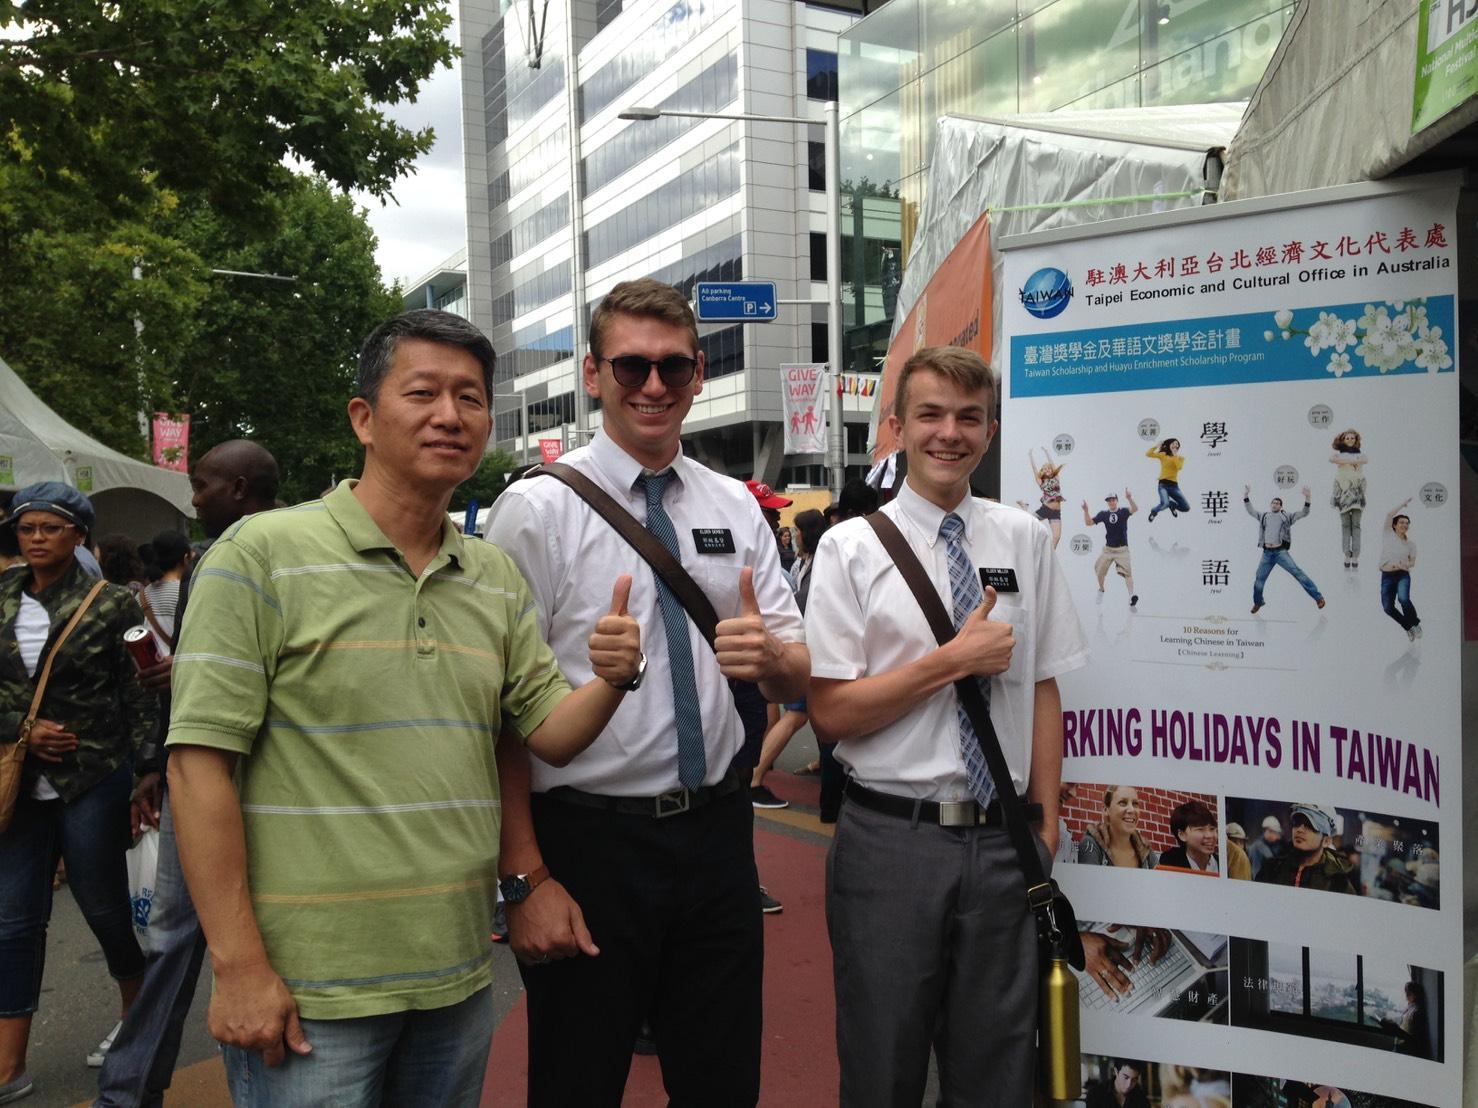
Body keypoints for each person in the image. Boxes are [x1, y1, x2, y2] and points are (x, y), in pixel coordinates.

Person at [165, 310, 642, 1106]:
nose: (449, 416)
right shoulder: (259, 556)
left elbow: (550, 734)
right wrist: (239, 964)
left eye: (470, 398)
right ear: (364, 417)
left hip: (455, 977)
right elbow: (197, 766)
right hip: (311, 990)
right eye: (422, 392)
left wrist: (612, 679)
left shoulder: (491, 575)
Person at [485, 279, 807, 1105]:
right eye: (631, 366)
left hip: (716, 836)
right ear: (593, 375)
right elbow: (499, 717)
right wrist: (523, 877)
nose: (654, 386)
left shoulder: (734, 502)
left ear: (700, 373)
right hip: (590, 841)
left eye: (672, 367)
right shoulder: (536, 509)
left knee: (721, 1078)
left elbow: (802, 667)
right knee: (577, 1079)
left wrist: (770, 655)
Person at [805, 345, 1087, 1106]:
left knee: (999, 1068)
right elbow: (831, 713)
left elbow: (1044, 684)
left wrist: (1047, 823)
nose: (949, 433)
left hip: (1004, 842)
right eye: (930, 414)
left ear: (990, 431)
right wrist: (951, 661)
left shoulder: (1024, 536)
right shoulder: (850, 548)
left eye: (969, 417)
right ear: (898, 426)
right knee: (882, 1060)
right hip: (892, 842)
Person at [95, 440, 281, 1108]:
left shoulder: (277, 552)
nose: (193, 497)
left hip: (260, 776)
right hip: (201, 765)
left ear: (236, 487)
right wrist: (154, 761)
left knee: (185, 934)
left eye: (201, 484)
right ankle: (130, 1087)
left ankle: (132, 1090)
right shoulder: (211, 561)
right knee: (180, 934)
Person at [0, 483, 159, 1106]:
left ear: (79, 535)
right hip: (18, 780)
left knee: (103, 909)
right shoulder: (1, 597)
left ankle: (137, 1018)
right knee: (13, 920)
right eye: (27, 528)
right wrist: (22, 729)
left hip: (93, 777)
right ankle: (10, 1062)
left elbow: (141, 688)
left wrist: (150, 768)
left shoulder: (112, 603)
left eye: (51, 528)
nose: (37, 538)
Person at [1244, 485, 1324, 614]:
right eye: (1273, 503)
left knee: (1297, 572)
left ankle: (1318, 597)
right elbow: (1251, 511)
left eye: (1277, 503)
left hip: (1280, 552)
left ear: (1281, 506)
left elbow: (1304, 513)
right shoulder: (1264, 516)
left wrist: (1308, 498)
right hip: (1267, 554)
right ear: (1271, 505)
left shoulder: (1287, 516)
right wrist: (1246, 496)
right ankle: (1258, 602)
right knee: (1259, 578)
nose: (1275, 504)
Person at [1253, 803, 1357, 893]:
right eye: (1297, 823)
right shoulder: (1271, 869)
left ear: (1326, 841)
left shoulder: (1338, 883)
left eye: (1310, 825)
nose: (1300, 829)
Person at [1076, 784, 1158, 868]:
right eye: (1122, 803)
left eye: (1135, 804)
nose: (1132, 810)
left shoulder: (1146, 851)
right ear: (1106, 810)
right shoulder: (1091, 844)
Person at [139, 530, 193, 650]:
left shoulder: (141, 596)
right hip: (176, 665)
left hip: (151, 665)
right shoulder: (188, 593)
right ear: (185, 558)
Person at [1083, 490, 1138, 607]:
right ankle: (1101, 590)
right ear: (1107, 502)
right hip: (1108, 550)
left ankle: (1131, 596)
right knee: (1099, 571)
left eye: (1113, 499)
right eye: (1109, 500)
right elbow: (1088, 523)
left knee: (1128, 573)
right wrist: (1086, 511)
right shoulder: (1104, 514)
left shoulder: (1123, 512)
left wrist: (1129, 498)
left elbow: (1135, 509)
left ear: (1117, 500)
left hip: (1122, 549)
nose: (1112, 502)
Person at [1379, 498, 1421, 640]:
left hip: (1402, 574)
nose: (1405, 525)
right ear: (1395, 525)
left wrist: (1405, 565)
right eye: (1402, 522)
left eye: (1407, 523)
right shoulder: (1388, 534)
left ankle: (1415, 623)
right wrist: (1402, 505)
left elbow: (1412, 562)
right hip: (1387, 575)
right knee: (1388, 608)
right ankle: (1408, 627)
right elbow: (1389, 514)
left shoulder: (1411, 545)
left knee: (1403, 598)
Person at [1329, 429, 1367, 570]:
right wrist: (1351, 461)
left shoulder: (1360, 454)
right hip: (1343, 491)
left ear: (1356, 440)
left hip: (1357, 491)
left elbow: (1365, 460)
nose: (1350, 440)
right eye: (1347, 438)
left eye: (1352, 438)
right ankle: (1346, 554)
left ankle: (1355, 555)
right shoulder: (1339, 454)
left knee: (1356, 525)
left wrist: (1346, 461)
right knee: (1345, 525)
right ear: (1343, 440)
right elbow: (1332, 459)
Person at [1156, 799, 1219, 873]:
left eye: (1212, 829)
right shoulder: (1170, 861)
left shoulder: (1226, 864)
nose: (1209, 835)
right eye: (1200, 829)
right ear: (1182, 835)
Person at [1025, 446, 1065, 547]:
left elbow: (1053, 464)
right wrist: (1030, 456)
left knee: (1057, 537)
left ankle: (1049, 558)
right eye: (1045, 469)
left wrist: (1046, 452)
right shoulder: (1041, 481)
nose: (1048, 470)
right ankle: (1024, 507)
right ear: (1043, 471)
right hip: (1046, 509)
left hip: (1056, 512)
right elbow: (1034, 470)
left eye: (1049, 469)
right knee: (1029, 520)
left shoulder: (1056, 478)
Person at [1145, 438, 1189, 522]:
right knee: (1165, 503)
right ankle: (1154, 511)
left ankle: (1172, 505)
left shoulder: (1180, 458)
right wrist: (1156, 446)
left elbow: (1179, 467)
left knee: (1186, 507)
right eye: (1173, 443)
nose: (1175, 445)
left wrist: (1175, 455)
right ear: (1169, 445)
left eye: (1177, 444)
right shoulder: (1163, 455)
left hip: (1174, 486)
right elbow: (1148, 454)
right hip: (1163, 485)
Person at [1086, 1059, 1150, 1108]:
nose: (1129, 1085)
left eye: (1134, 1079)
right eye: (1126, 1077)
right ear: (1116, 1072)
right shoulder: (1095, 1094)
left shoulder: (1142, 1099)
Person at [1246, 814, 1283, 879]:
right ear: (1265, 831)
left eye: (1275, 832)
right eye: (1271, 831)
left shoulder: (1274, 846)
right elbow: (1256, 872)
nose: (1274, 835)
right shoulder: (1257, 847)